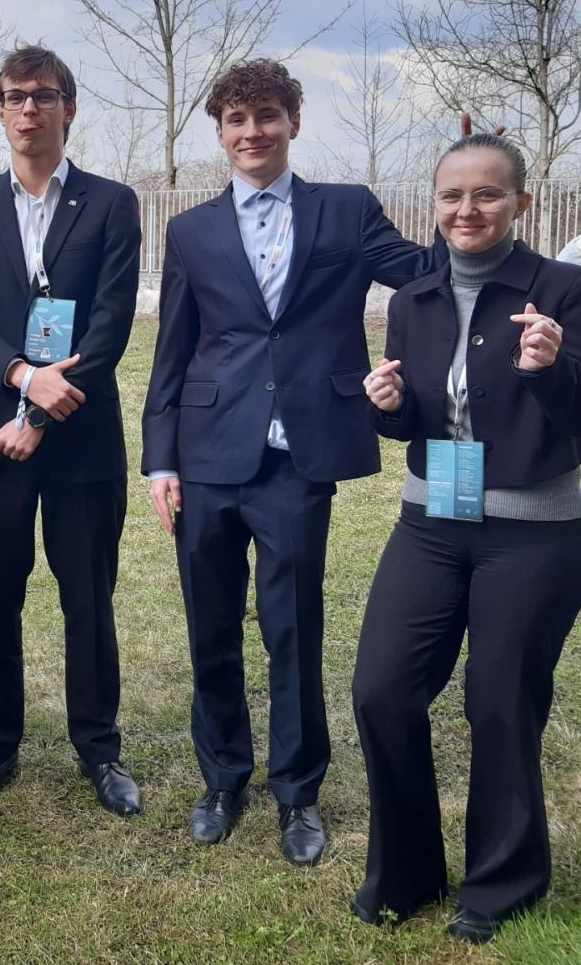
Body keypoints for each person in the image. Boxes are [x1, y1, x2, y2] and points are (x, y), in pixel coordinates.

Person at [140, 59, 451, 866]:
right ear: (220, 133)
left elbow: (424, 274)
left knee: (293, 629)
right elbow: (173, 352)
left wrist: (465, 218)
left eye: (267, 116)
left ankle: (297, 792)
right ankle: (222, 778)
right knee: (211, 626)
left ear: (293, 124)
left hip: (299, 457)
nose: (253, 132)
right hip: (208, 456)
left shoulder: (345, 210)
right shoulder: (191, 231)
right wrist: (159, 462)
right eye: (237, 121)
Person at [352, 133, 581, 943]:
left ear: (520, 203)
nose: (466, 210)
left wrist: (552, 366)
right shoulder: (412, 299)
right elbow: (416, 417)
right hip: (430, 523)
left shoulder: (564, 289)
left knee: (500, 702)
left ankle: (503, 884)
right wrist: (388, 405)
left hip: (532, 533)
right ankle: (407, 872)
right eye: (451, 195)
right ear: (433, 204)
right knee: (382, 690)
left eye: (486, 194)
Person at [0, 44, 143, 816]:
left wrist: (45, 412)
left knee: (88, 600)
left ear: (69, 108)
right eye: (15, 96)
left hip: (82, 440)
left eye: (44, 95)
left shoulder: (112, 204)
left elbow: (111, 326)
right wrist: (25, 383)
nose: (29, 108)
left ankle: (99, 749)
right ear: (0, 109)